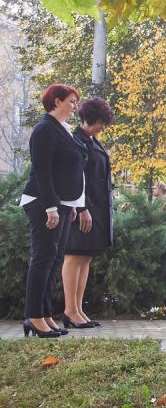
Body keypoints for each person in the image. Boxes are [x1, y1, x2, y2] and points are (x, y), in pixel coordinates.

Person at [20, 84, 86, 338]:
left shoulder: (63, 129)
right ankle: (33, 316)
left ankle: (45, 314)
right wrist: (50, 206)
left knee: (54, 259)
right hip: (42, 201)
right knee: (43, 258)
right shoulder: (45, 129)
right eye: (71, 102)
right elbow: (42, 170)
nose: (74, 107)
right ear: (56, 101)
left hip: (61, 204)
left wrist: (69, 205)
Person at [62, 97, 115, 330]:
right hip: (80, 210)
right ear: (88, 118)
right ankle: (69, 310)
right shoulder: (76, 140)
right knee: (73, 257)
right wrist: (82, 208)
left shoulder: (93, 141)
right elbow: (74, 178)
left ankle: (78, 310)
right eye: (100, 122)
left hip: (96, 210)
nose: (102, 127)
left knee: (85, 258)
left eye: (104, 123)